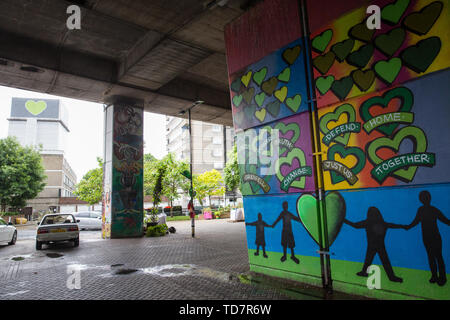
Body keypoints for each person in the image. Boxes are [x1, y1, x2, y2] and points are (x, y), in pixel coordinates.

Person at [344, 206, 406, 283]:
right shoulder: (383, 223)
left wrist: (344, 220)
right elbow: (393, 225)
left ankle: (364, 272)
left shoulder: (367, 222)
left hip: (371, 245)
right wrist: (403, 226)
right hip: (380, 245)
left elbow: (355, 225)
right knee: (385, 261)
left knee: (368, 259)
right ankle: (392, 277)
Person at [405, 191, 450, 286]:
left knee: (434, 257)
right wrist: (408, 226)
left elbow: (415, 221)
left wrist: (408, 226)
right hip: (432, 237)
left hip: (429, 237)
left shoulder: (422, 210)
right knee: (437, 257)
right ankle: (439, 277)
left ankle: (438, 277)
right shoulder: (432, 210)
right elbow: (445, 220)